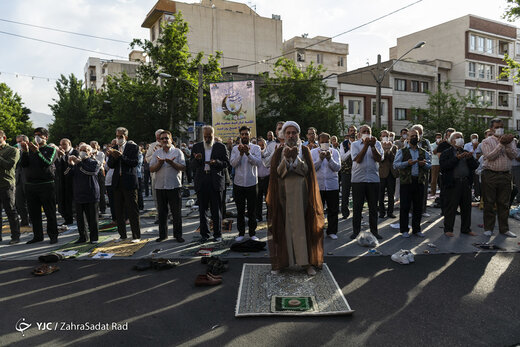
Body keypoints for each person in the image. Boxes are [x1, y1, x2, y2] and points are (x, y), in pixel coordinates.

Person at [266, 121, 324, 276]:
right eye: (288, 133)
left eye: (294, 133)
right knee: (283, 226)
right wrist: (286, 160)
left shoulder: (304, 150)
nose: (291, 136)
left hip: (301, 194)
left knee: (302, 226)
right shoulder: (279, 151)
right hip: (283, 193)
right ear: (284, 135)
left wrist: (296, 160)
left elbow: (307, 171)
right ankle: (282, 263)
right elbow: (276, 173)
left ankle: (306, 263)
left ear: (298, 134)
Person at [191, 125, 230, 242]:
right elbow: (192, 165)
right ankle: (204, 234)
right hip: (202, 181)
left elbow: (226, 163)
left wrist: (216, 162)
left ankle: (217, 234)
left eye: (210, 136)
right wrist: (197, 159)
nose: (207, 138)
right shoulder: (197, 147)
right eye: (205, 136)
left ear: (213, 135)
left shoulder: (220, 147)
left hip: (215, 181)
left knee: (216, 209)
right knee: (202, 210)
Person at [20, 127, 59, 244]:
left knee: (49, 211)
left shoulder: (51, 149)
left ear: (46, 137)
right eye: (35, 135)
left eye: (40, 135)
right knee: (34, 213)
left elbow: (47, 163)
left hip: (46, 185)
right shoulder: (29, 150)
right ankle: (38, 235)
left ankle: (53, 235)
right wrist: (25, 152)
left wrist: (37, 152)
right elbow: (23, 164)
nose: (37, 137)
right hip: (31, 185)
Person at [480, 119, 517, 238]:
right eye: (497, 127)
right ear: (491, 129)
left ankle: (504, 229)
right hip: (491, 174)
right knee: (489, 202)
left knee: (504, 203)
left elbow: (514, 155)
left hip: (506, 174)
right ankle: (488, 228)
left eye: (501, 126)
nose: (500, 129)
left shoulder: (510, 141)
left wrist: (507, 145)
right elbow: (489, 156)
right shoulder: (486, 141)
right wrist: (501, 144)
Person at [439, 132, 479, 237]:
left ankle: (466, 229)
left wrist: (470, 158)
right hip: (453, 183)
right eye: (457, 138)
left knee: (466, 207)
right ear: (452, 141)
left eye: (461, 137)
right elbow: (444, 166)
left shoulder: (466, 152)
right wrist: (457, 158)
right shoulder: (446, 153)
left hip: (465, 183)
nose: (460, 139)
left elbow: (475, 166)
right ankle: (448, 229)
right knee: (451, 207)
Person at [393, 128, 431, 238]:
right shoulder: (402, 151)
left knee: (418, 207)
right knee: (405, 206)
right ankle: (404, 229)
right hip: (406, 182)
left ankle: (416, 229)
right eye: (412, 136)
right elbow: (396, 165)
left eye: (416, 136)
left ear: (419, 138)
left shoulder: (423, 152)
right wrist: (407, 163)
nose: (414, 138)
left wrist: (424, 164)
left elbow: (429, 165)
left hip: (419, 181)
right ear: (407, 138)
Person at [149, 131, 186, 243]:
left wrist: (172, 163)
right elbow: (151, 168)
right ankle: (163, 235)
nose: (165, 140)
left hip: (174, 186)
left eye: (167, 138)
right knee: (162, 213)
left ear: (171, 140)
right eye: (162, 139)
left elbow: (183, 167)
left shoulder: (178, 152)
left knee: (176, 213)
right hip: (160, 187)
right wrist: (159, 164)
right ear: (159, 141)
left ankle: (178, 235)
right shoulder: (156, 153)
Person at [107, 127, 141, 242]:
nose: (118, 138)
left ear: (125, 137)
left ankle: (136, 235)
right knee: (119, 211)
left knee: (132, 210)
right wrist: (114, 157)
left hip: (129, 182)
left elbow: (134, 163)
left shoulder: (133, 147)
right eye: (117, 136)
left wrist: (121, 156)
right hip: (117, 182)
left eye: (120, 136)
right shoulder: (114, 148)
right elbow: (110, 165)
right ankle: (122, 235)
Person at [350, 125, 384, 240]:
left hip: (373, 179)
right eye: (364, 131)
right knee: (357, 207)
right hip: (358, 180)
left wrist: (373, 147)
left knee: (373, 207)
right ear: (359, 134)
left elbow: (379, 159)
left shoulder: (377, 143)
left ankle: (374, 231)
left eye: (368, 131)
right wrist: (365, 146)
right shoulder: (355, 145)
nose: (366, 133)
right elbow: (358, 159)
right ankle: (356, 232)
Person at [230, 126, 262, 242]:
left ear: (250, 134)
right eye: (242, 134)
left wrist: (248, 153)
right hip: (239, 184)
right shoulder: (235, 149)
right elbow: (233, 164)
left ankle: (253, 233)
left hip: (252, 183)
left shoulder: (256, 147)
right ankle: (241, 233)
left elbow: (258, 162)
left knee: (252, 210)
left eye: (246, 134)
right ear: (240, 135)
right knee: (240, 210)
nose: (244, 136)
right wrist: (240, 154)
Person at [67, 144, 100, 244]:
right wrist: (70, 164)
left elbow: (90, 172)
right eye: (80, 150)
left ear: (90, 152)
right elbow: (66, 175)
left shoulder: (94, 162)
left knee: (92, 218)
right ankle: (83, 237)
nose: (82, 152)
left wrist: (79, 163)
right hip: (79, 194)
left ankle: (94, 237)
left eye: (85, 150)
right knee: (80, 219)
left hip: (91, 193)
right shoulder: (77, 163)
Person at [311, 132, 341, 239]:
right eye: (322, 141)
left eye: (326, 141)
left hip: (332, 185)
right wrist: (320, 159)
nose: (324, 143)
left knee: (333, 209)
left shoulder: (335, 152)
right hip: (318, 186)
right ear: (318, 142)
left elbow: (337, 168)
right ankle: (317, 231)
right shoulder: (313, 152)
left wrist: (329, 159)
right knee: (318, 210)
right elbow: (312, 169)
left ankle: (332, 231)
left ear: (330, 141)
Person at [0, 130, 21, 244]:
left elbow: (9, 165)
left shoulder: (12, 150)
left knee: (10, 211)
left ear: (4, 137)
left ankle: (15, 236)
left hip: (6, 184)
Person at [55, 138, 78, 226]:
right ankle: (67, 218)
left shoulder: (75, 152)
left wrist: (64, 156)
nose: (62, 147)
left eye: (64, 144)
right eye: (61, 145)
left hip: (72, 181)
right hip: (62, 181)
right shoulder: (60, 154)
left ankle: (75, 216)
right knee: (63, 201)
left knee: (72, 201)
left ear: (69, 144)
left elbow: (72, 165)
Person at [145, 129, 164, 224]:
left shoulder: (169, 145)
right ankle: (159, 215)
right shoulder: (152, 146)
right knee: (156, 196)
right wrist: (155, 154)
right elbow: (147, 159)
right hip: (155, 175)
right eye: (158, 137)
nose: (160, 139)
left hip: (167, 175)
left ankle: (171, 215)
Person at [378, 130, 397, 219]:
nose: (385, 137)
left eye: (387, 136)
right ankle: (381, 212)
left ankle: (390, 212)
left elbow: (394, 159)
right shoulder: (378, 146)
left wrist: (389, 150)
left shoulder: (394, 147)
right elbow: (380, 159)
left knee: (390, 194)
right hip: (381, 173)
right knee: (380, 194)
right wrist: (385, 151)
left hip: (391, 173)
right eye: (384, 136)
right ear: (381, 137)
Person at [339, 126, 356, 219]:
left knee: (357, 194)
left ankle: (357, 213)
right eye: (351, 131)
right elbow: (343, 158)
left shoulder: (359, 143)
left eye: (354, 131)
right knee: (345, 193)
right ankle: (345, 213)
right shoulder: (344, 144)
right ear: (348, 132)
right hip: (346, 172)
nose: (353, 132)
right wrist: (350, 150)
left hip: (357, 172)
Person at [15, 135, 29, 226]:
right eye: (17, 142)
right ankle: (24, 219)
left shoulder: (31, 151)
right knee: (19, 202)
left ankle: (32, 218)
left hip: (28, 179)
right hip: (18, 180)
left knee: (30, 201)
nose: (18, 144)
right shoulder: (16, 152)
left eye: (20, 141)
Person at [90, 141, 107, 216]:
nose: (93, 148)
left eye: (94, 146)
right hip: (92, 173)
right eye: (92, 146)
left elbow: (100, 163)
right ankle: (95, 209)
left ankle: (102, 208)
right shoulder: (89, 153)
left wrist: (94, 159)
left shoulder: (101, 154)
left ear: (97, 146)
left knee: (101, 190)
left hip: (99, 172)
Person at [256, 137, 270, 222]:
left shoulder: (268, 154)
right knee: (258, 199)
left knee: (268, 199)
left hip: (267, 178)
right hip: (257, 179)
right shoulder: (255, 154)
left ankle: (269, 216)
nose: (261, 147)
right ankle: (258, 216)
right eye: (259, 145)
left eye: (262, 145)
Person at [429, 133, 443, 199]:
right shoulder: (432, 145)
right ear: (435, 138)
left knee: (442, 179)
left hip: (442, 162)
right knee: (434, 179)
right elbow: (434, 152)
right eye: (437, 137)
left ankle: (442, 192)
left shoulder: (444, 144)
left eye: (440, 137)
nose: (439, 139)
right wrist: (439, 145)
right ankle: (433, 192)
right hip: (434, 163)